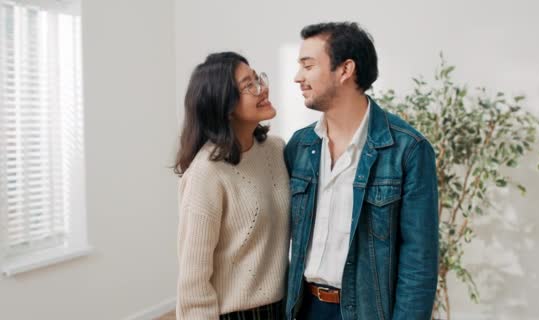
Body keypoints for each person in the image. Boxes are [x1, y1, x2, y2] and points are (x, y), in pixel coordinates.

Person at [284, 22, 439, 320]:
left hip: (367, 311)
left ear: (345, 70)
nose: (297, 77)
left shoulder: (408, 149)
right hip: (303, 308)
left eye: (308, 65)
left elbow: (419, 261)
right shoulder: (300, 146)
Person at [173, 52, 289, 320]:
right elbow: (193, 279)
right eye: (249, 85)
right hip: (233, 314)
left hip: (282, 308)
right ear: (224, 105)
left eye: (257, 78)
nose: (263, 88)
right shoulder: (207, 173)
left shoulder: (275, 150)